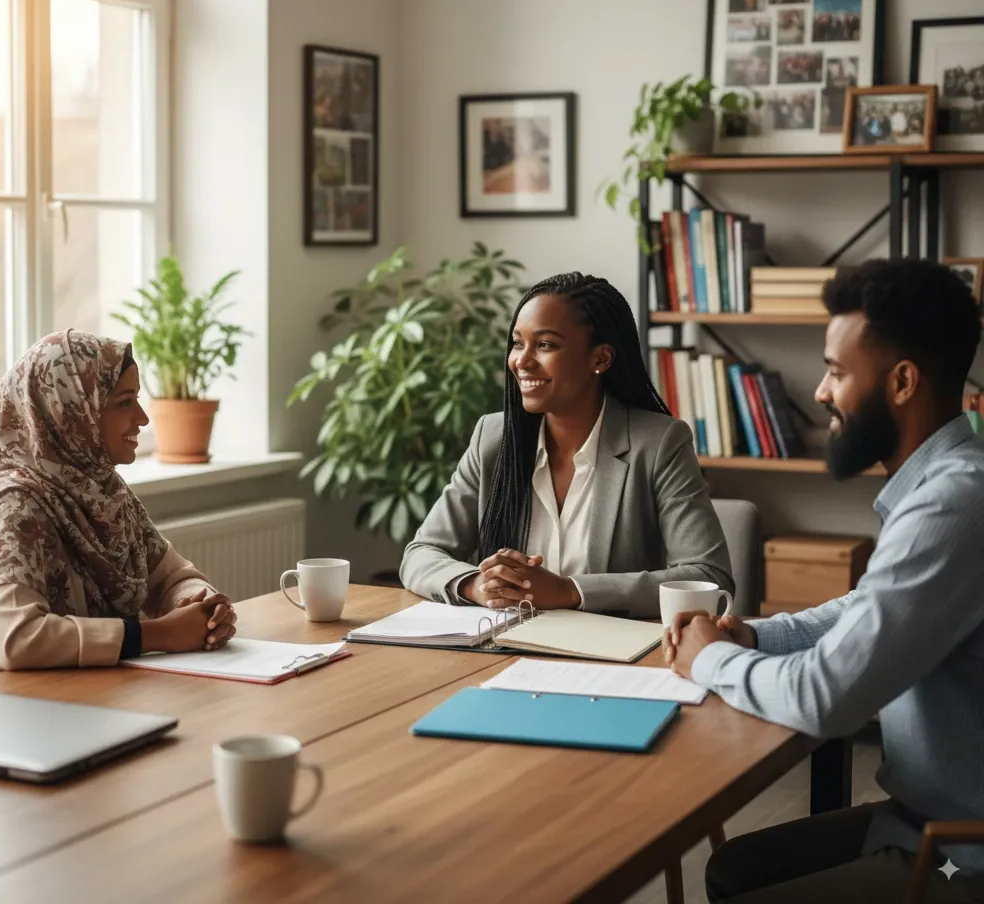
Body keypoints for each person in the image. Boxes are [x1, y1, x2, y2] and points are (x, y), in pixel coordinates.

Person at [663, 258, 984, 902]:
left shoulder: (955, 502)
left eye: (836, 371)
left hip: (960, 852)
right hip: (917, 820)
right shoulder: (941, 484)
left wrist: (712, 660)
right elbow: (864, 610)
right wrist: (754, 638)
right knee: (732, 870)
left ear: (901, 382)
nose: (820, 391)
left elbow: (824, 699)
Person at [400, 272, 732, 617]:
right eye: (517, 343)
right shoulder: (493, 438)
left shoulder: (659, 443)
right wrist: (475, 585)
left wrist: (569, 591)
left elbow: (708, 576)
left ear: (600, 359)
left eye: (545, 345)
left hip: (605, 656)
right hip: (504, 648)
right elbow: (421, 553)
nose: (522, 361)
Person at [0, 330, 237, 681]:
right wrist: (158, 634)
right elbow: (16, 640)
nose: (142, 417)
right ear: (71, 413)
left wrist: (202, 606)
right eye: (124, 403)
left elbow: (170, 578)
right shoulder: (15, 506)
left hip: (92, 699)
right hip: (15, 712)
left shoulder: (103, 492)